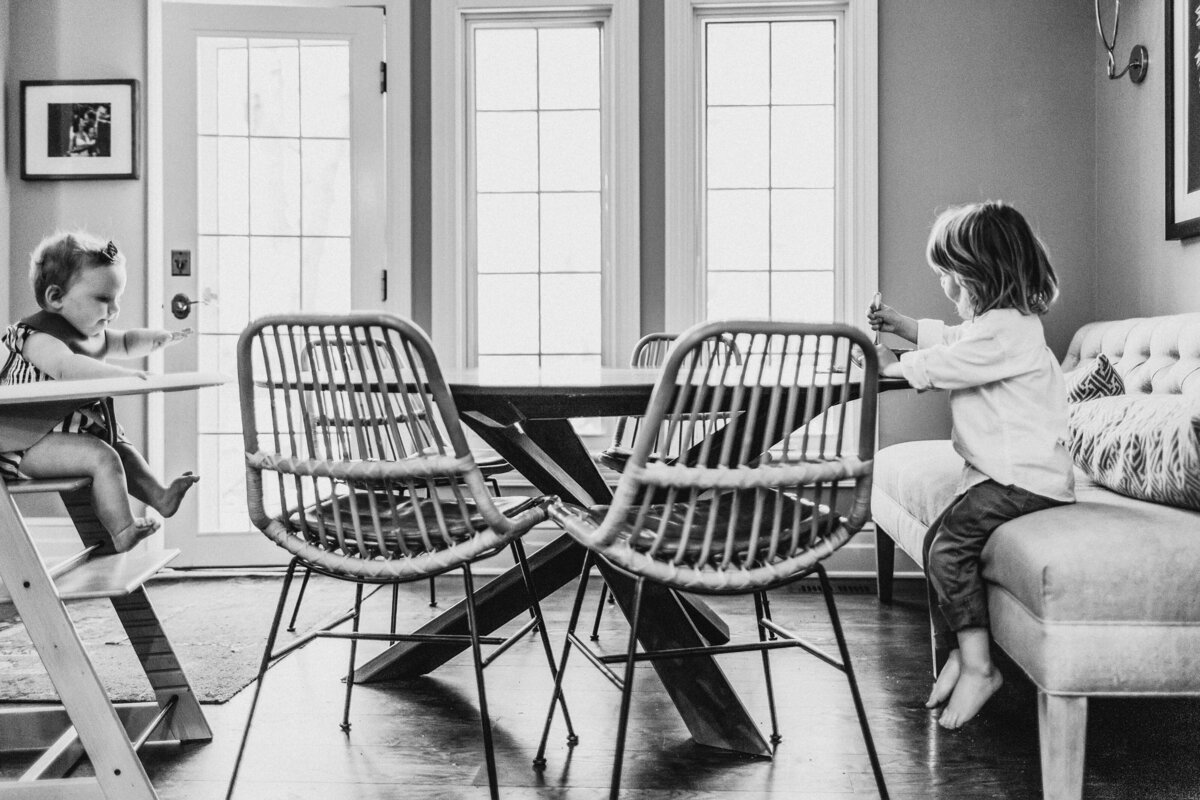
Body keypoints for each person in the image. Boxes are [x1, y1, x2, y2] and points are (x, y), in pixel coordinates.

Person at [868, 201, 1075, 729]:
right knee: (939, 541)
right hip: (1009, 474)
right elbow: (954, 341)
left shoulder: (1006, 332)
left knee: (948, 553)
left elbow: (948, 363)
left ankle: (982, 668)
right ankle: (963, 653)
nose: (946, 287)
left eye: (951, 277)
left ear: (983, 275)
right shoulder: (1002, 324)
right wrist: (904, 327)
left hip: (1023, 480)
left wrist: (895, 365)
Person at [0, 231, 198, 553]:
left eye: (116, 298)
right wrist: (126, 376)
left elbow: (126, 341)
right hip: (26, 441)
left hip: (73, 429)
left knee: (122, 448)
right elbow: (67, 368)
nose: (114, 309)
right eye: (104, 299)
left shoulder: (93, 332)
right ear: (55, 297)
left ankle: (159, 496)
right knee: (103, 456)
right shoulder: (37, 337)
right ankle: (122, 530)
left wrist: (157, 339)